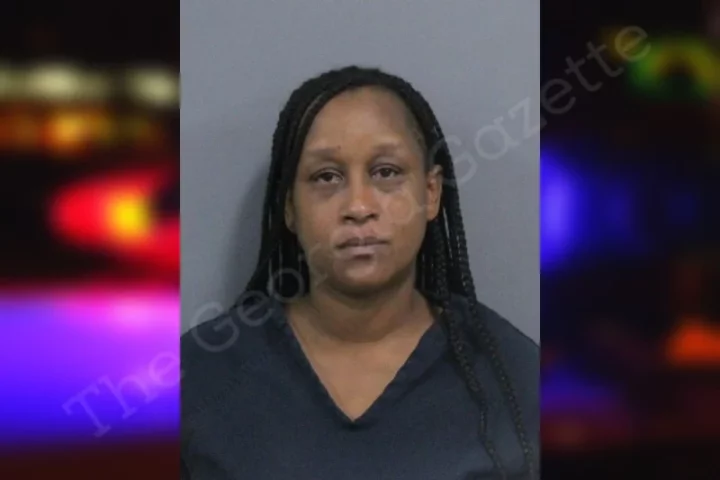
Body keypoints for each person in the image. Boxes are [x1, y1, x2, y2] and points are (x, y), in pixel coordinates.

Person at [181, 66, 539, 480]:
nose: (358, 206)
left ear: (430, 192)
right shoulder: (201, 379)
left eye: (386, 172)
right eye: (326, 176)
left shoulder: (516, 379)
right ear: (289, 206)